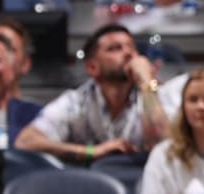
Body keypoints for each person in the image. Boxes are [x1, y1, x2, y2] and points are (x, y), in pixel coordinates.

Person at [15, 25, 168, 163]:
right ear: (92, 67)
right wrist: (91, 151)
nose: (128, 53)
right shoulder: (75, 102)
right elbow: (26, 141)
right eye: (115, 48)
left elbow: (165, 144)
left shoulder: (153, 94)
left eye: (131, 47)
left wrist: (147, 82)